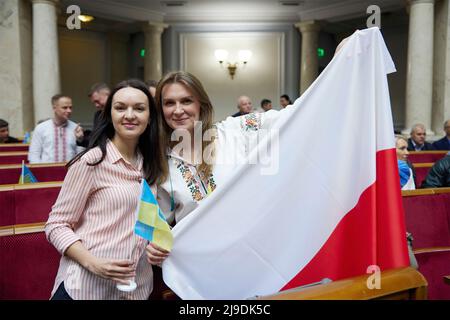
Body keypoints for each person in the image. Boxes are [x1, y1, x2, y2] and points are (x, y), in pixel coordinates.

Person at [146, 71, 292, 265]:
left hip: (256, 253)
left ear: (201, 104)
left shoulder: (234, 131)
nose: (178, 110)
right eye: (169, 103)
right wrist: (155, 247)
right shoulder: (160, 163)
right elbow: (159, 225)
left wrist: (341, 63)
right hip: (203, 263)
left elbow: (293, 114)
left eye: (186, 101)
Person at [45, 79, 168, 300]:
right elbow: (56, 225)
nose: (129, 115)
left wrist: (154, 243)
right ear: (110, 115)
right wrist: (93, 263)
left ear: (150, 118)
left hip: (135, 288)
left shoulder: (152, 164)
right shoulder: (91, 162)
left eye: (139, 108)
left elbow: (143, 220)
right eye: (120, 108)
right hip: (86, 287)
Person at [28, 94, 81, 163]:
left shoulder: (76, 128)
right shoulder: (41, 128)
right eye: (65, 107)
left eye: (70, 107)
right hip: (47, 171)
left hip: (71, 171)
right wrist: (40, 171)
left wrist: (80, 140)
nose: (69, 111)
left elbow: (80, 155)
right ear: (54, 108)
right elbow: (34, 154)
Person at [75, 83, 111, 148]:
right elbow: (95, 142)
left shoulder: (122, 113)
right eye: (94, 103)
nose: (96, 105)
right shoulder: (98, 115)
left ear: (108, 95)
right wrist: (81, 138)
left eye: (97, 101)